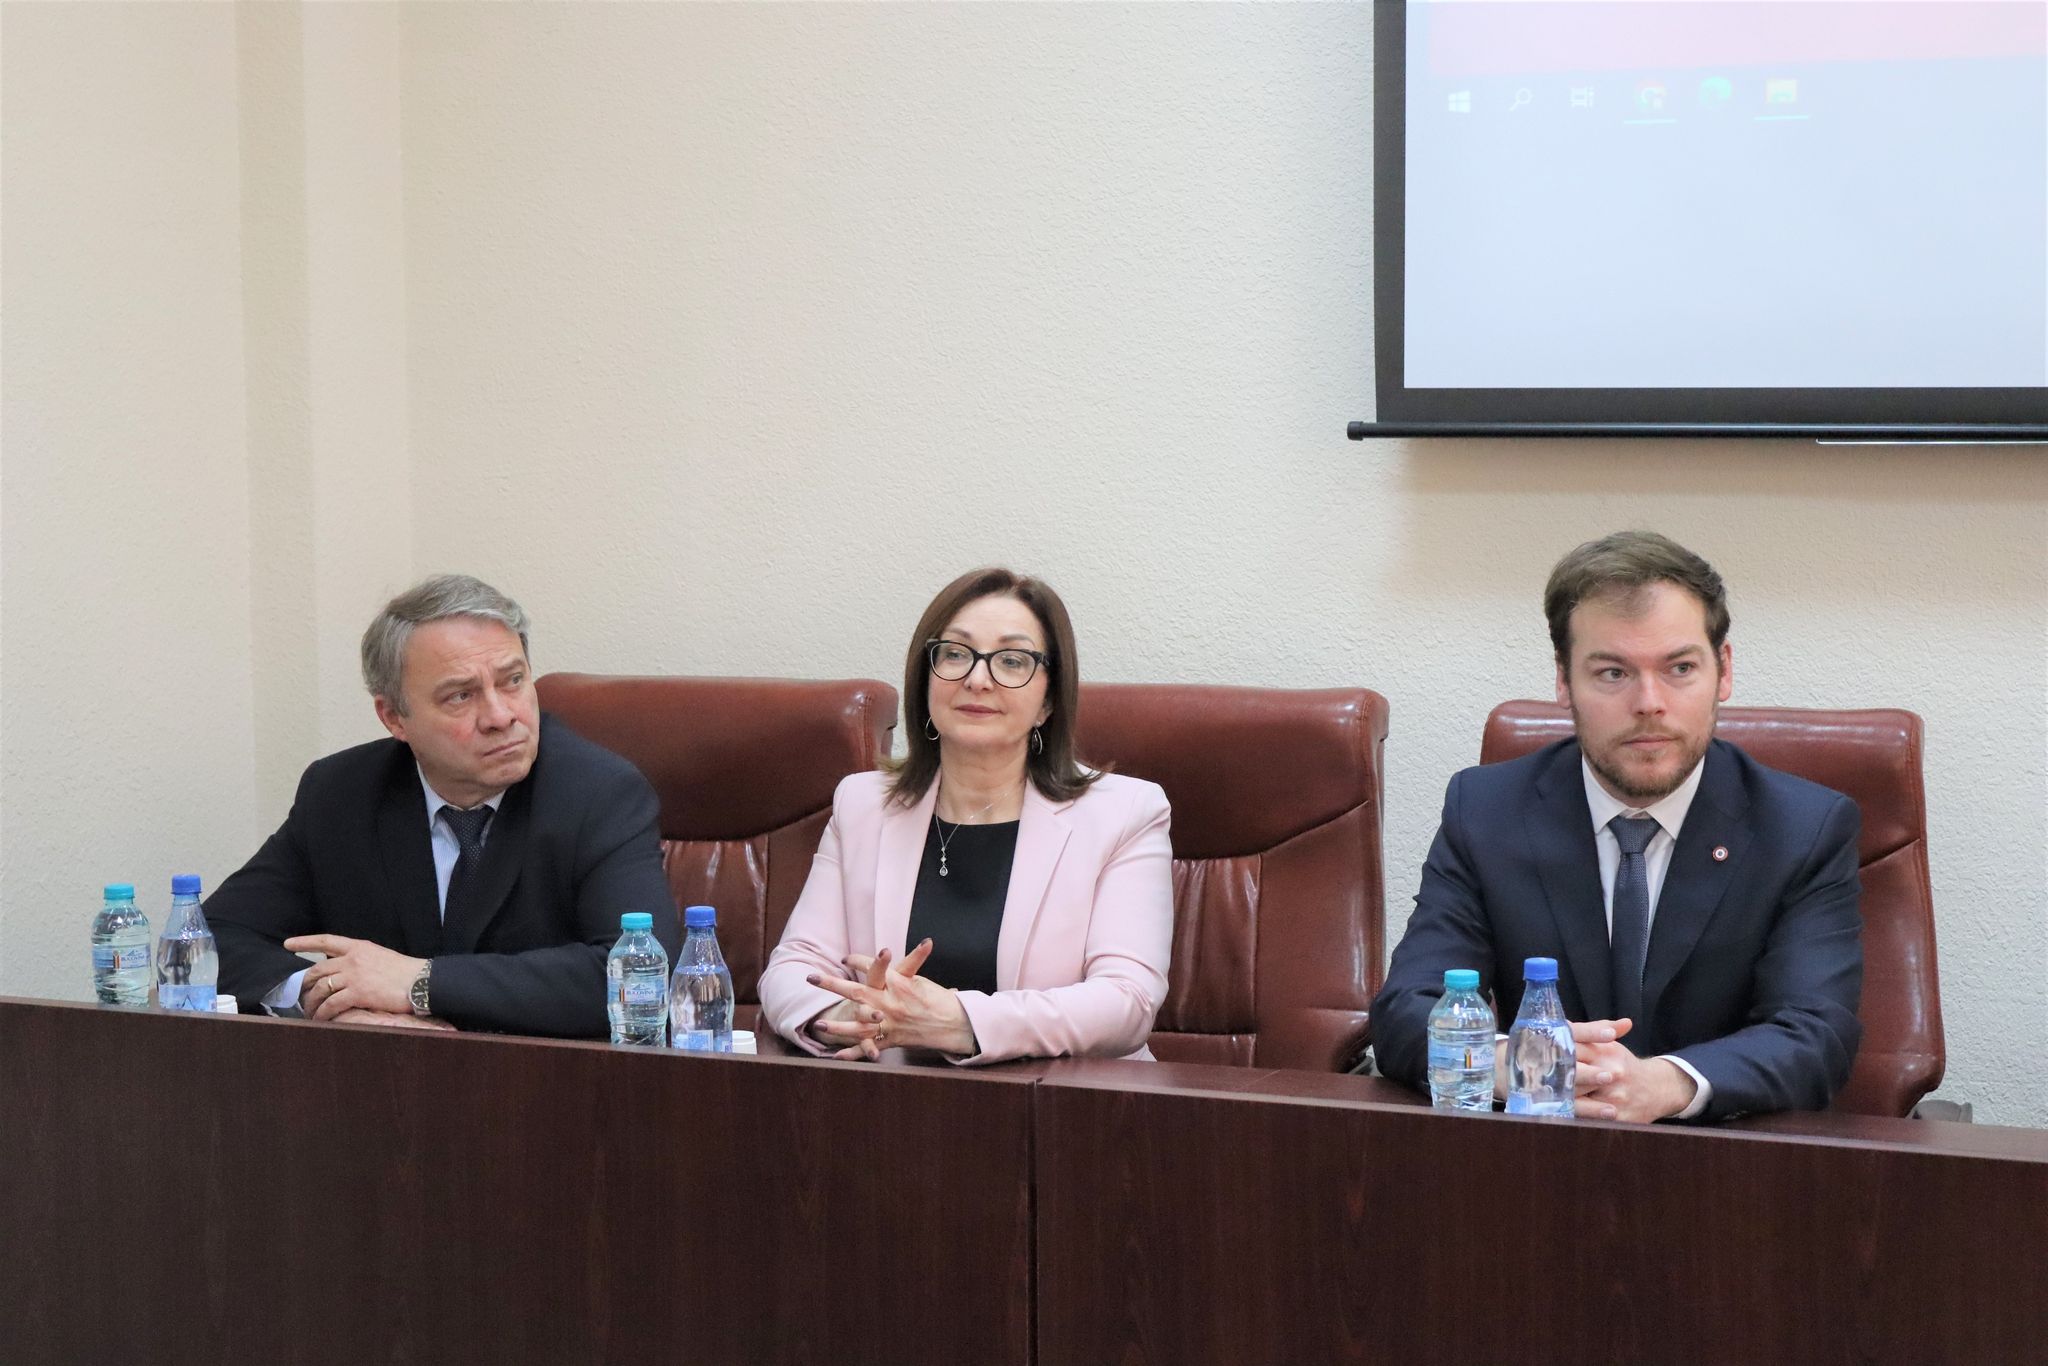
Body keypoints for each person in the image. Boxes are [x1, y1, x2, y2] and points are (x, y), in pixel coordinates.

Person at [1371, 531, 1863, 1122]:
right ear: (1564, 679)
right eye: (1612, 673)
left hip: (1727, 1157)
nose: (1649, 702)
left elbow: (1815, 1034)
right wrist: (1511, 1062)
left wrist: (1667, 1083)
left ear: (1724, 671)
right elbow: (1407, 1009)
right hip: (1537, 1152)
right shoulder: (1486, 811)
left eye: (1680, 668)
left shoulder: (1803, 829)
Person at [207, 574, 678, 1037]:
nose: (501, 716)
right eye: (461, 695)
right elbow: (211, 937)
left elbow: (642, 975)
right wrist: (324, 996)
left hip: (542, 1076)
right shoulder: (342, 794)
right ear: (394, 718)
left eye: (513, 681)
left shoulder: (599, 794)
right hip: (385, 1075)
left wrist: (420, 982)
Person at [759, 568, 1173, 1064]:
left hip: (1060, 1101)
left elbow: (1128, 1001)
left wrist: (959, 1022)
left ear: (1048, 701)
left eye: (1012, 661)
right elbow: (793, 967)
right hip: (889, 1095)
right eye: (955, 654)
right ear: (926, 678)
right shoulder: (863, 804)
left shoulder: (1125, 813)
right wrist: (851, 1017)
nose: (977, 679)